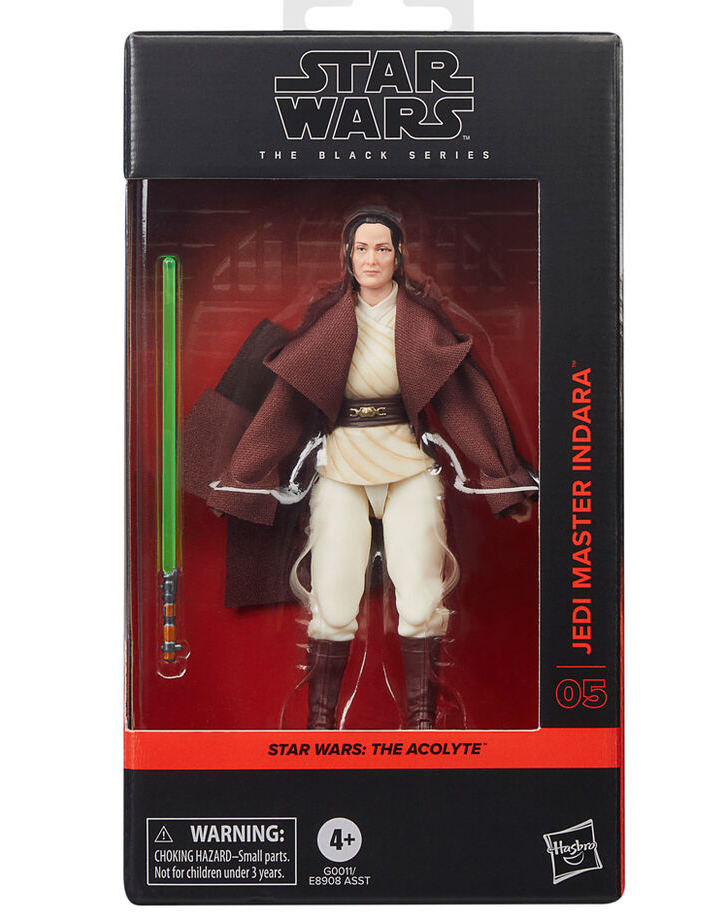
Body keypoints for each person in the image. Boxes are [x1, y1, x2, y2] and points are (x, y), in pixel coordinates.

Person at [204, 208, 537, 729]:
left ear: (398, 256)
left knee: (421, 599)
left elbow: (461, 404)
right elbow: (284, 407)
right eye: (362, 249)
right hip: (341, 464)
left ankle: (422, 720)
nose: (372, 259)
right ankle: (319, 724)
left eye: (382, 249)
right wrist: (241, 480)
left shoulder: (420, 323)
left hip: (407, 464)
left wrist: (503, 480)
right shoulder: (331, 322)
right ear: (348, 255)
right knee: (333, 602)